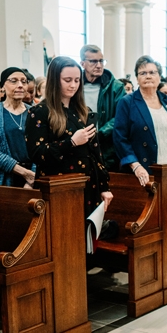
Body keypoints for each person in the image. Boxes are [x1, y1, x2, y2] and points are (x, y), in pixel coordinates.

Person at [26, 56, 113, 216]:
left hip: (88, 182)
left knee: (87, 236)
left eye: (77, 80)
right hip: (59, 186)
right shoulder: (40, 112)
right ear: (54, 80)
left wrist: (104, 186)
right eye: (67, 80)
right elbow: (37, 154)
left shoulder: (82, 110)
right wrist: (71, 142)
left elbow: (95, 152)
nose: (73, 85)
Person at [113, 55, 167, 187]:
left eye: (152, 72)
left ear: (159, 77)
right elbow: (119, 138)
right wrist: (135, 166)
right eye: (143, 73)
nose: (148, 76)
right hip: (144, 171)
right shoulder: (127, 102)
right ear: (137, 79)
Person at [0, 68, 35, 187]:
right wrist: (25, 173)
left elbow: (40, 148)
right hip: (0, 177)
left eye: (24, 81)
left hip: (33, 178)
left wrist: (32, 178)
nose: (20, 85)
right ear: (2, 86)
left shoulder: (35, 112)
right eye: (14, 81)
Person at [80, 44, 126, 172]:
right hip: (79, 144)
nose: (99, 65)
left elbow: (121, 116)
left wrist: (100, 133)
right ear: (83, 63)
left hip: (106, 146)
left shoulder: (116, 87)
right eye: (93, 61)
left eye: (101, 61)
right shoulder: (75, 85)